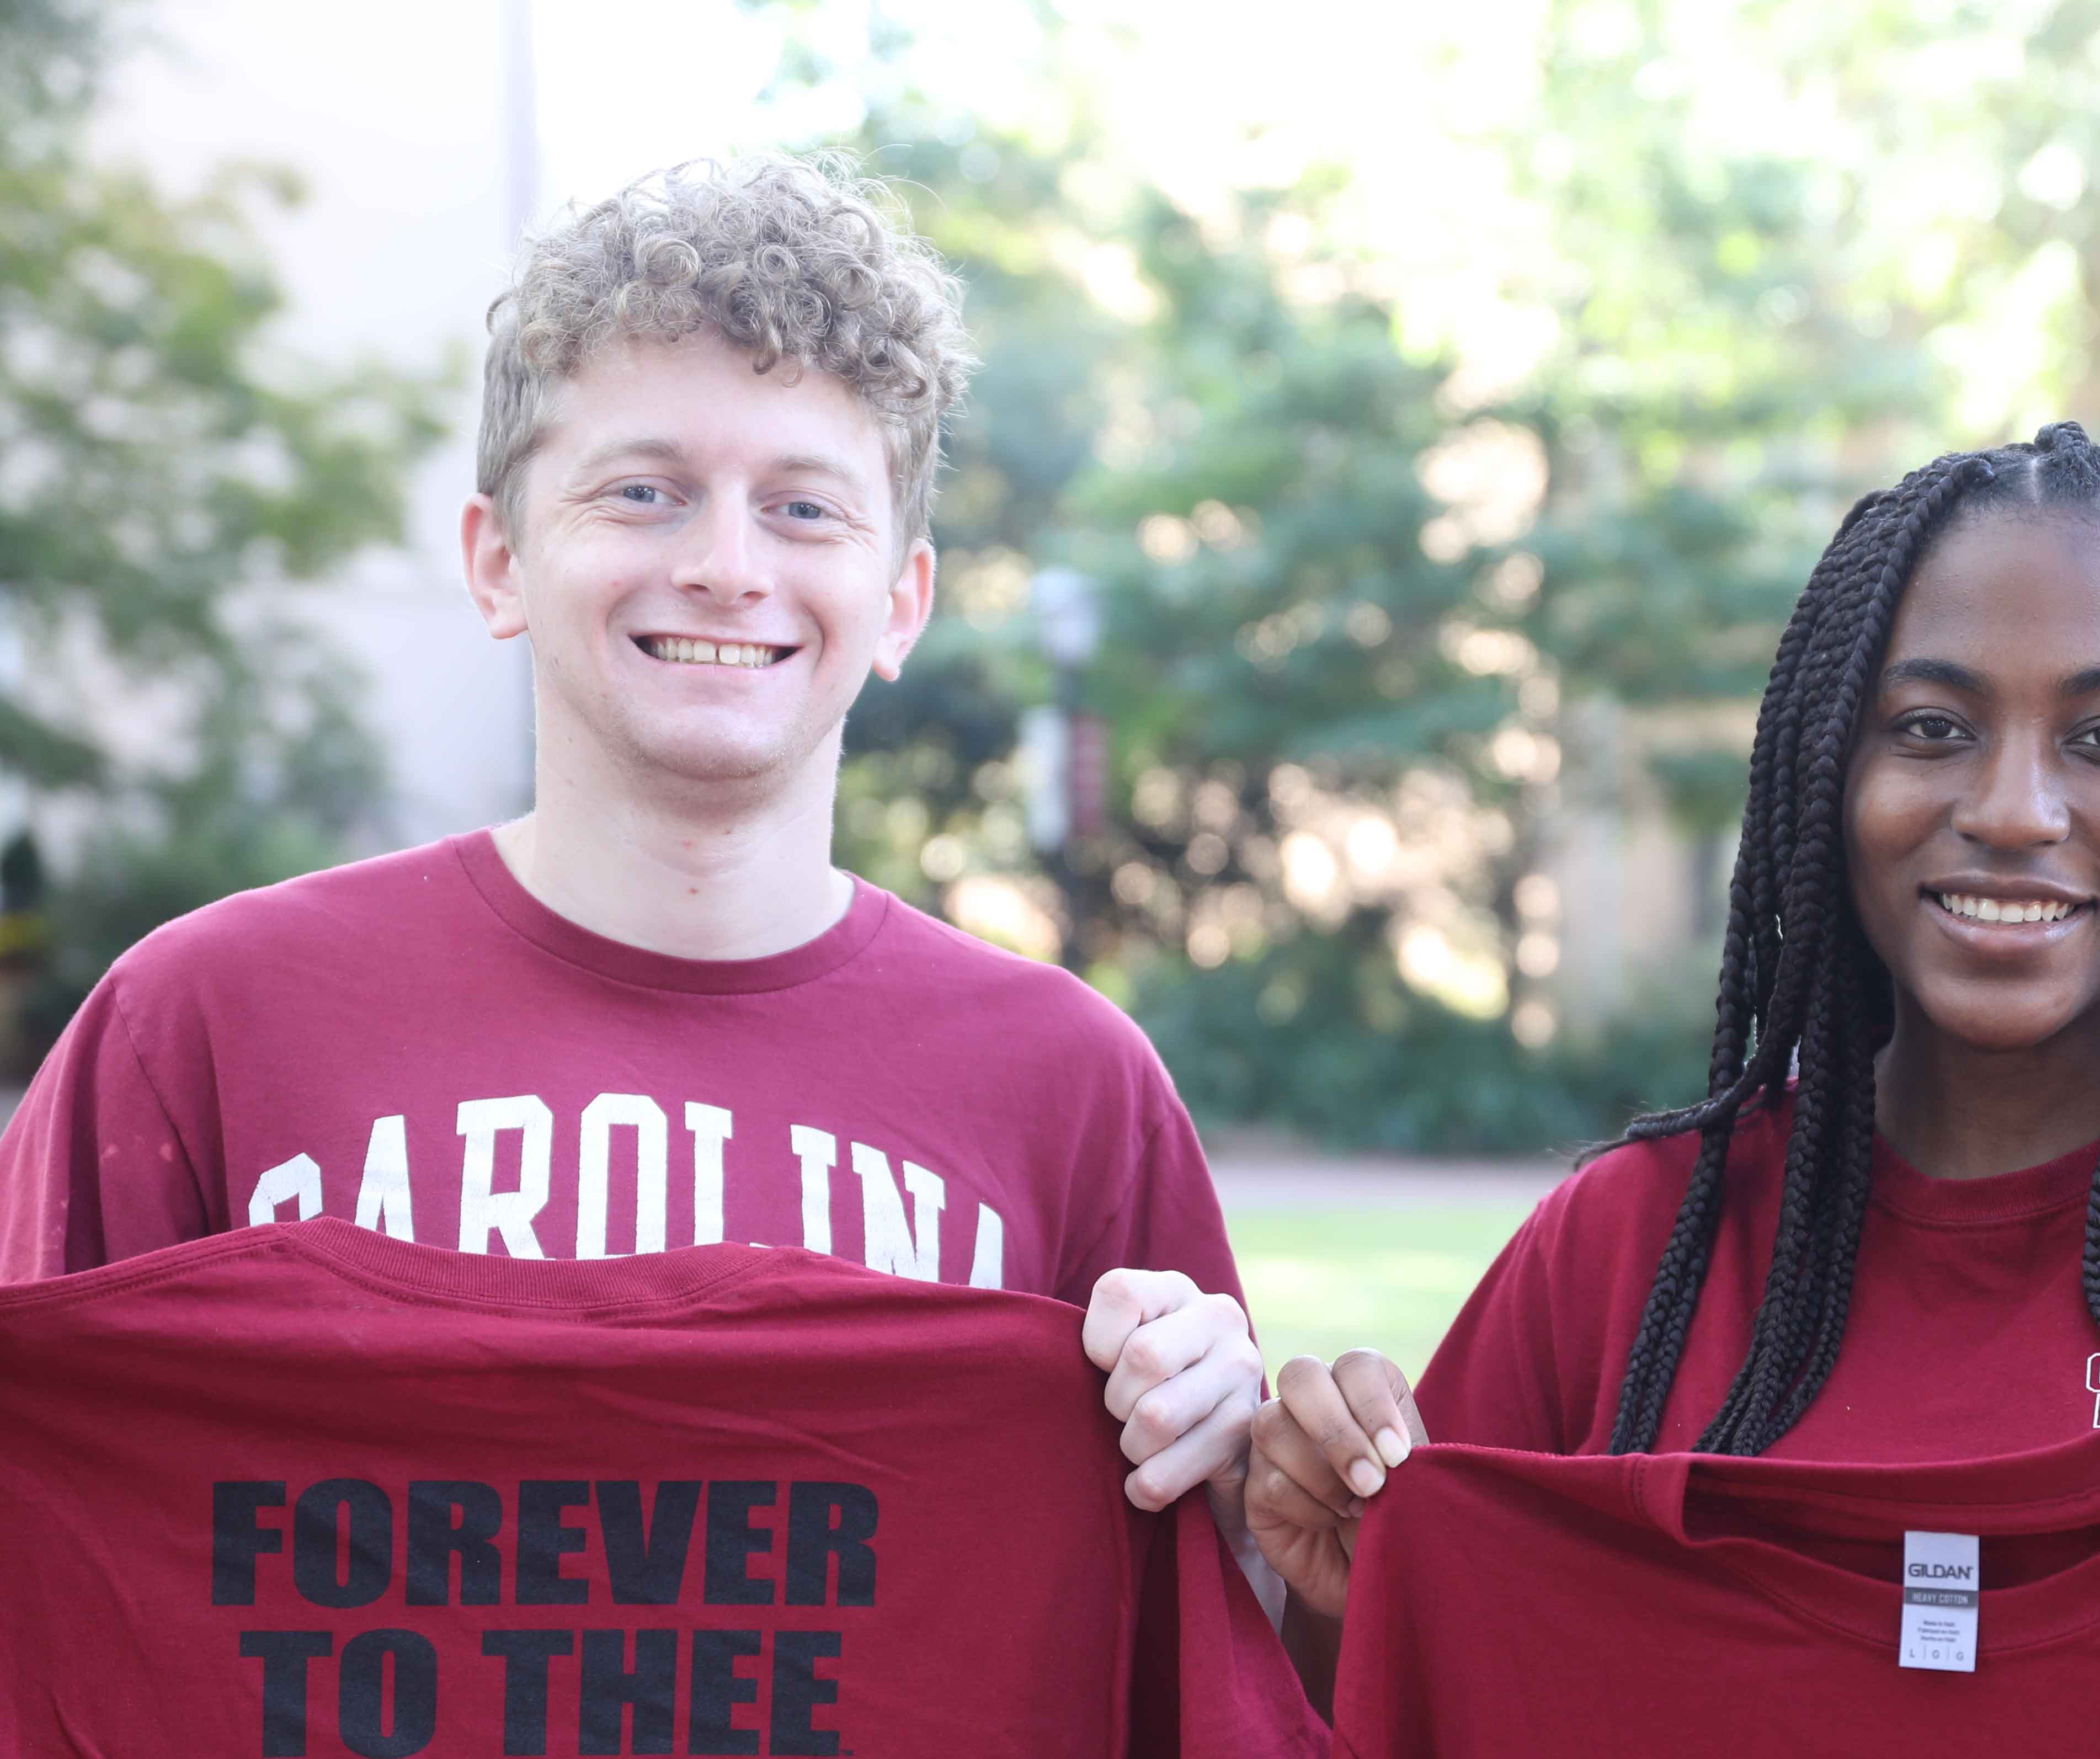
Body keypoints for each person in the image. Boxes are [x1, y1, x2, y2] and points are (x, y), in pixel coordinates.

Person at [0, 153, 1260, 1526]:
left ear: (900, 601)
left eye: (804, 506)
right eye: (644, 491)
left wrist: (1230, 1460)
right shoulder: (200, 1027)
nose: (728, 564)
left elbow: (1230, 1665)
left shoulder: (1070, 1088)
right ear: (499, 563)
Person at [1248, 420, 2100, 1681]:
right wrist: (1335, 1567)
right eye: (1933, 729)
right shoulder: (1628, 1258)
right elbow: (1413, 1747)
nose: (2010, 812)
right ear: (1829, 772)